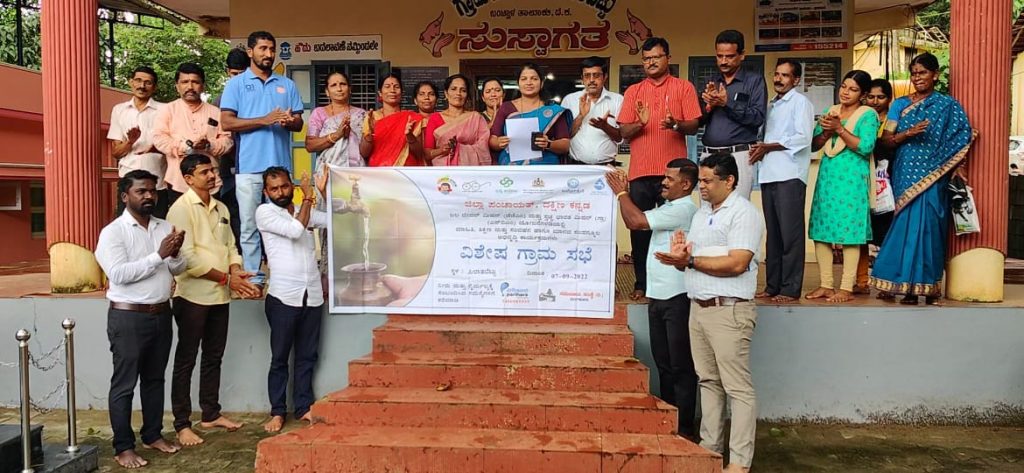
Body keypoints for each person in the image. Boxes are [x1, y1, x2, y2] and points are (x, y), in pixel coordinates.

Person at [655, 152, 764, 473]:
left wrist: (689, 261)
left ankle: (739, 461)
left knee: (737, 389)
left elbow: (738, 263)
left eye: (707, 181)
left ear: (729, 181)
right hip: (699, 307)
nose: (700, 186)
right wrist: (682, 255)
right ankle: (710, 450)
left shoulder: (743, 213)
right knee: (708, 381)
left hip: (729, 309)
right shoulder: (702, 214)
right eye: (700, 180)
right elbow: (695, 260)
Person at [256, 165, 364, 433]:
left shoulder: (302, 211)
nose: (280, 192)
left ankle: (303, 406)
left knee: (307, 356)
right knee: (280, 358)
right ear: (266, 192)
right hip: (283, 297)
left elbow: (333, 220)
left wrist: (324, 194)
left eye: (284, 186)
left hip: (311, 295)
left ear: (290, 186)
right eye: (274, 189)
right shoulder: (265, 213)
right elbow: (295, 230)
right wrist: (306, 197)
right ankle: (277, 411)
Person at [166, 154, 262, 447]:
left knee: (213, 356)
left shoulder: (221, 207)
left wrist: (235, 270)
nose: (211, 175)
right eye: (204, 171)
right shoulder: (180, 210)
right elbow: (187, 258)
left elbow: (231, 245)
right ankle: (182, 424)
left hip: (220, 295)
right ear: (188, 178)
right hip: (192, 296)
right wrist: (227, 279)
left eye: (213, 170)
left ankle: (210, 413)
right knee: (186, 359)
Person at [95, 170, 185, 468]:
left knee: (155, 379)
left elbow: (177, 268)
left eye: (152, 191)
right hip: (128, 316)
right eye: (141, 191)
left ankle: (153, 435)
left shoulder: (163, 226)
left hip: (161, 313)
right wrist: (159, 255)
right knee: (125, 384)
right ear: (125, 196)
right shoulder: (113, 232)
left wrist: (175, 254)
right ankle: (123, 447)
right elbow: (118, 274)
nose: (148, 196)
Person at [607, 159, 700, 440]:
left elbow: (636, 221)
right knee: (664, 363)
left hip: (676, 296)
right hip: (658, 296)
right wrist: (624, 197)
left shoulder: (684, 209)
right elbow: (633, 219)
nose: (663, 182)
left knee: (680, 365)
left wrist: (622, 193)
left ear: (686, 184)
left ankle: (685, 427)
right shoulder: (668, 207)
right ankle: (669, 419)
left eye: (670, 178)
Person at [871, 52, 973, 305]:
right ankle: (902, 286)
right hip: (906, 172)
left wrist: (959, 166)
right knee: (904, 227)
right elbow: (886, 140)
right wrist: (908, 133)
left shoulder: (947, 105)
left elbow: (962, 135)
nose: (917, 78)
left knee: (930, 228)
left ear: (935, 75)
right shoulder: (900, 105)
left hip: (935, 175)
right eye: (914, 73)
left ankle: (928, 287)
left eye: (923, 73)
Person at [617, 37, 702, 301]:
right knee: (640, 231)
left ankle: (676, 285)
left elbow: (694, 125)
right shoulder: (633, 91)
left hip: (674, 174)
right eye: (646, 58)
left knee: (674, 230)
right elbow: (623, 132)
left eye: (656, 57)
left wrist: (676, 124)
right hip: (641, 172)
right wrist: (640, 123)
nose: (651, 62)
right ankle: (642, 284)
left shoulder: (683, 87)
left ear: (668, 58)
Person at [220, 30, 305, 288]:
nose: (268, 54)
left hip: (280, 169)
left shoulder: (287, 84)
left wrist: (290, 121)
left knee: (284, 223)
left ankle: (283, 277)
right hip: (248, 168)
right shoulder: (236, 84)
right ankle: (254, 279)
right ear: (250, 52)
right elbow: (227, 122)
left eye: (271, 49)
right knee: (249, 226)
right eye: (263, 49)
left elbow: (299, 123)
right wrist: (264, 120)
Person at [806, 70, 879, 303]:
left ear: (863, 94)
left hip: (852, 180)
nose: (846, 92)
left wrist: (839, 129)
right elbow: (814, 144)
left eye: (853, 89)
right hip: (828, 178)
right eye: (844, 87)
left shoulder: (868, 115)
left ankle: (846, 287)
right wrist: (827, 130)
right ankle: (826, 284)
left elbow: (865, 146)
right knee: (821, 230)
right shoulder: (832, 111)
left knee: (850, 233)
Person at [749, 59, 815, 303]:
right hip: (769, 174)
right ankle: (772, 285)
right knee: (774, 234)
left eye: (785, 75)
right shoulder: (772, 105)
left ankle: (790, 288)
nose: (778, 79)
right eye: (777, 74)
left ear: (796, 80)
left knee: (790, 235)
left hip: (790, 175)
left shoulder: (801, 103)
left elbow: (803, 137)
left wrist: (768, 147)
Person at [151, 63, 233, 207]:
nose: (190, 87)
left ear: (203, 86)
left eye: (195, 82)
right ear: (177, 86)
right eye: (184, 82)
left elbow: (228, 141)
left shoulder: (216, 112)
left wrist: (208, 145)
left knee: (212, 219)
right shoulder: (167, 110)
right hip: (178, 182)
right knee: (181, 220)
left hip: (211, 183)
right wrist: (185, 146)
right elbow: (159, 139)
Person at [699, 30, 767, 200]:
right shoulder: (711, 81)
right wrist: (708, 106)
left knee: (737, 207)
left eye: (729, 56)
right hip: (709, 155)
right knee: (707, 208)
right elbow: (698, 122)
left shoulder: (754, 81)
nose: (723, 61)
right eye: (719, 56)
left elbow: (757, 118)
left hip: (738, 155)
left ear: (742, 55)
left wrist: (727, 103)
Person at [108, 66, 167, 216]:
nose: (142, 86)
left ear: (154, 87)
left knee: (158, 225)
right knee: (127, 225)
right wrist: (130, 142)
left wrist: (156, 149)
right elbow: (116, 153)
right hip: (128, 181)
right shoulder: (119, 110)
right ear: (130, 82)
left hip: (157, 182)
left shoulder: (165, 110)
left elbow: (174, 147)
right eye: (138, 80)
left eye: (148, 82)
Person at [855, 78, 895, 296]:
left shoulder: (893, 120)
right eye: (871, 97)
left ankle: (886, 283)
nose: (875, 101)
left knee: (886, 233)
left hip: (887, 182)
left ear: (889, 99)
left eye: (880, 97)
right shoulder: (860, 116)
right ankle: (862, 281)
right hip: (863, 179)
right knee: (863, 233)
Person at [489, 63, 572, 165]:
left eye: (534, 79)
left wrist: (549, 144)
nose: (529, 83)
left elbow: (565, 144)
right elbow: (493, 139)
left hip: (545, 166)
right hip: (512, 166)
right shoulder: (506, 107)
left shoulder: (552, 110)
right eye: (524, 79)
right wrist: (498, 143)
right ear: (518, 83)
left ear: (541, 83)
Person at [211, 48, 251, 252]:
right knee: (230, 212)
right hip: (227, 167)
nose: (238, 79)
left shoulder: (255, 97)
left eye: (242, 74)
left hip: (253, 165)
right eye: (234, 74)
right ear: (228, 72)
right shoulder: (219, 101)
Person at [563, 56, 624, 165]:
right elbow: (565, 136)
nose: (591, 80)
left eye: (596, 75)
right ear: (582, 78)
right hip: (576, 166)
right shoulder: (570, 100)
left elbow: (620, 138)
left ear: (605, 77)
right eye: (587, 75)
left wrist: (604, 126)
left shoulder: (618, 100)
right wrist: (581, 116)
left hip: (607, 167)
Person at [359, 72, 426, 167]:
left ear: (401, 93)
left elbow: (419, 153)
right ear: (380, 93)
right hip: (379, 172)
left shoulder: (411, 118)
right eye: (387, 86)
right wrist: (369, 136)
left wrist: (410, 136)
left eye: (396, 87)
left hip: (405, 171)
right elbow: (364, 153)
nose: (392, 90)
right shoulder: (372, 117)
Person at [424, 74, 492, 166]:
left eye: (463, 90)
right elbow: (427, 154)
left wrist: (459, 148)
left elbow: (483, 148)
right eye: (453, 89)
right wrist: (442, 150)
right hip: (443, 172)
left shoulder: (475, 118)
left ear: (467, 95)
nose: (458, 93)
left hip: (470, 170)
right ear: (446, 93)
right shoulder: (435, 118)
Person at [305, 71, 366, 169]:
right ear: (327, 92)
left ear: (350, 89)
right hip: (328, 171)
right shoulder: (319, 113)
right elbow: (310, 145)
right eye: (333, 85)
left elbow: (366, 150)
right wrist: (337, 135)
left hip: (357, 170)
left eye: (343, 84)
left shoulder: (361, 114)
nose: (339, 89)